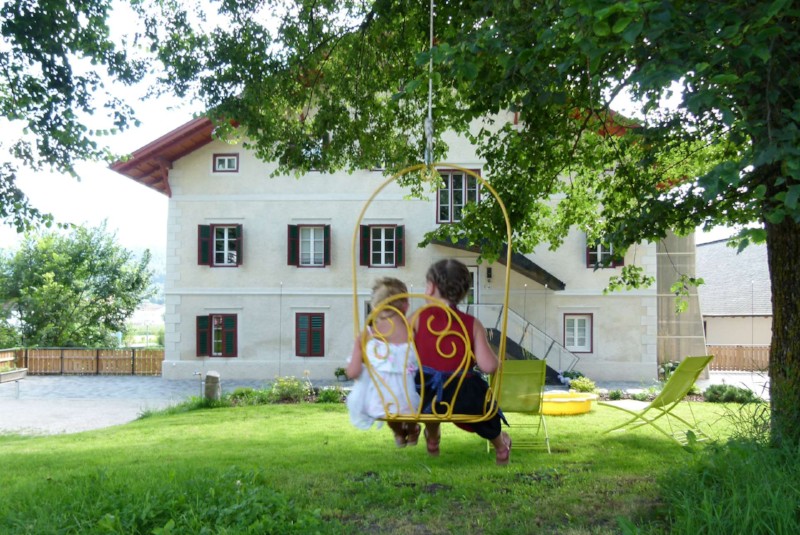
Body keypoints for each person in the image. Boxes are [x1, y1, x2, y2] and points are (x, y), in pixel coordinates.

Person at [414, 258, 511, 465]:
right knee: (485, 410)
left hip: (424, 392)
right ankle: (500, 446)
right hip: (462, 396)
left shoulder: (417, 318)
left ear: (430, 288)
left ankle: (432, 437)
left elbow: (400, 349)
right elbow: (488, 366)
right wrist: (497, 362)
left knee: (428, 396)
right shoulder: (471, 324)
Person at [346, 277, 422, 447]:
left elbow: (353, 371)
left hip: (380, 400)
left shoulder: (367, 334)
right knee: (405, 409)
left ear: (374, 307)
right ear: (406, 306)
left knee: (386, 410)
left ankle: (398, 432)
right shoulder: (412, 332)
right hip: (408, 398)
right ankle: (412, 429)